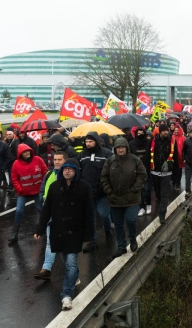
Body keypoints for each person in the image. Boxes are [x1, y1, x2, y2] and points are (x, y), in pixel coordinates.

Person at [34, 158, 94, 310]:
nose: (67, 170)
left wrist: (89, 235)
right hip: (58, 230)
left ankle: (66, 295)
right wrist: (40, 229)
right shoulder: (54, 186)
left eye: (71, 168)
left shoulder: (84, 187)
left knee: (71, 263)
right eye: (65, 168)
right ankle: (75, 277)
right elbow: (46, 210)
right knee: (65, 260)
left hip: (75, 230)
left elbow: (89, 212)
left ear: (76, 171)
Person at [101, 137, 147, 258]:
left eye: (122, 147)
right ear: (115, 149)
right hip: (115, 199)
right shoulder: (110, 161)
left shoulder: (135, 160)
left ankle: (132, 238)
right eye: (118, 148)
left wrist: (135, 189)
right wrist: (109, 191)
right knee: (118, 224)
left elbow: (142, 175)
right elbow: (104, 177)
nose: (120, 150)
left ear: (126, 148)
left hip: (132, 198)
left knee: (131, 220)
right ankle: (121, 246)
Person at [78, 132, 113, 252]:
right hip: (87, 193)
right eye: (86, 141)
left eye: (90, 141)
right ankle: (93, 241)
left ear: (96, 141)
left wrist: (107, 187)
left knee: (104, 215)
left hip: (102, 192)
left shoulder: (106, 153)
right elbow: (78, 171)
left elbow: (111, 171)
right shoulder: (82, 155)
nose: (88, 144)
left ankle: (108, 231)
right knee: (90, 218)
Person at [34, 151, 67, 281]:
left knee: (66, 245)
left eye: (60, 159)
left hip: (65, 216)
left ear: (65, 160)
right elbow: (42, 190)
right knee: (50, 242)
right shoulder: (49, 174)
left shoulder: (68, 175)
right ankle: (46, 269)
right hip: (51, 214)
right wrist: (44, 207)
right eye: (55, 159)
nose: (57, 162)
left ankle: (73, 274)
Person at [9, 144, 48, 244]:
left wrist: (43, 186)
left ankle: (47, 230)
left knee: (41, 209)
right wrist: (19, 189)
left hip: (37, 190)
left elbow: (45, 172)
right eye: (24, 152)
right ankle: (14, 234)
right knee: (19, 211)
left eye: (28, 151)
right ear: (20, 154)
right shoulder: (16, 164)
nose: (26, 153)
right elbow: (14, 178)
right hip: (23, 192)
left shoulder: (38, 160)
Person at [149, 123, 178, 225]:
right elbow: (149, 155)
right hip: (155, 172)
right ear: (160, 131)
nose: (166, 132)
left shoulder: (172, 141)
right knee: (158, 193)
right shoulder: (152, 141)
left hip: (167, 173)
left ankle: (162, 215)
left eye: (167, 130)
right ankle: (160, 204)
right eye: (164, 131)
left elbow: (176, 156)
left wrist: (175, 175)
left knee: (164, 194)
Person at [129, 126, 152, 216]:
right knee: (139, 190)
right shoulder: (131, 144)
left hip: (147, 169)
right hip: (136, 170)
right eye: (138, 134)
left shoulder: (148, 142)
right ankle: (142, 207)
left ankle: (149, 205)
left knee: (147, 189)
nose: (140, 135)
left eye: (142, 133)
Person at [171, 124, 185, 191]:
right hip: (173, 157)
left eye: (177, 130)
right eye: (175, 130)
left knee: (179, 171)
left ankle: (178, 183)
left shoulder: (183, 138)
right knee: (174, 171)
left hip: (180, 157)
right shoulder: (172, 137)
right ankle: (174, 182)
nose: (176, 131)